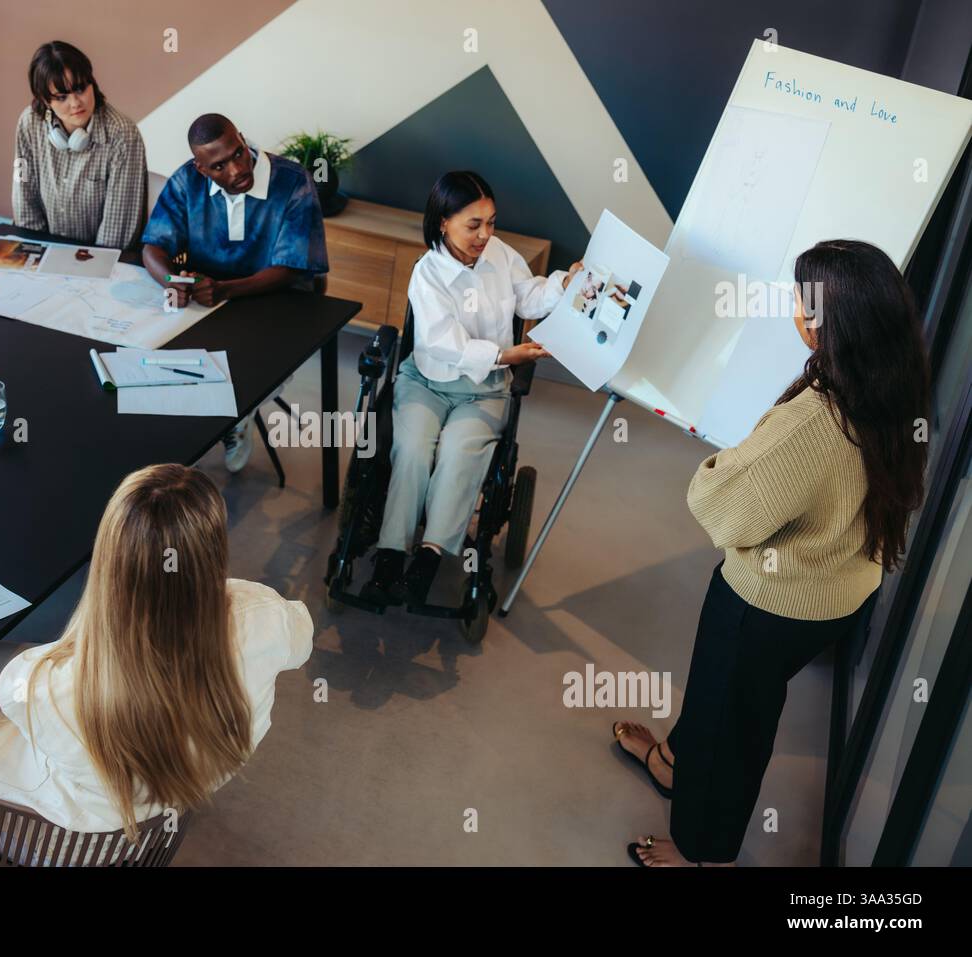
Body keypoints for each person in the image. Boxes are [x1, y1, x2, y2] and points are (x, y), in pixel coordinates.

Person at [616, 239, 929, 866]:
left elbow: (722, 510)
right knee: (725, 699)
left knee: (733, 722)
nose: (794, 308)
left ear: (827, 321)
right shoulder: (893, 387)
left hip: (769, 603)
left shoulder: (820, 419)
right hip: (834, 594)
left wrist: (719, 465)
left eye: (801, 299)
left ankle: (700, 849)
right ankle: (675, 762)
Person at [0, 463, 314, 865]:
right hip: (161, 797)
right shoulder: (264, 617)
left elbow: (17, 688)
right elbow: (300, 637)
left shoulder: (59, 688)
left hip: (58, 832)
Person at [362, 171, 579, 605]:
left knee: (460, 452)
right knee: (412, 450)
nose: (485, 235)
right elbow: (443, 343)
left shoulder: (500, 254)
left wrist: (563, 285)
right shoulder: (428, 273)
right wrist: (505, 355)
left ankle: (428, 557)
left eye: (491, 222)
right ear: (443, 222)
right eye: (473, 225)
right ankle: (388, 555)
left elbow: (529, 297)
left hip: (484, 389)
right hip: (428, 380)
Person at [141, 113, 329, 471]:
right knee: (162, 357)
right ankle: (202, 426)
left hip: (281, 303)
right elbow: (154, 247)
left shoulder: (293, 182)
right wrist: (172, 281)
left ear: (242, 139)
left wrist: (227, 289)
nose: (236, 170)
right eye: (219, 166)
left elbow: (295, 267)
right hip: (211, 303)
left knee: (249, 368)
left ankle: (235, 413)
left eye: (239, 153)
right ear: (201, 168)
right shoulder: (186, 182)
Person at [12, 41, 148, 250]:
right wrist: (35, 251)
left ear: (92, 83)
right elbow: (24, 196)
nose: (75, 103)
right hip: (44, 253)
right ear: (46, 100)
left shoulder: (123, 135)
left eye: (80, 89)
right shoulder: (29, 122)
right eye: (62, 97)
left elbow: (116, 234)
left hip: (98, 259)